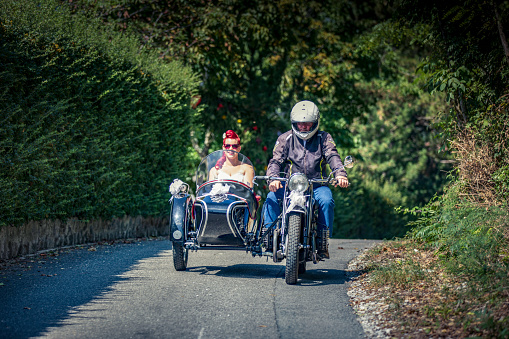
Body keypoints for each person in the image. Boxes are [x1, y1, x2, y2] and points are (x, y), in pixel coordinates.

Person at [263, 100, 349, 259]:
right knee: (271, 198)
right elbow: (276, 161)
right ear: (294, 123)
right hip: (290, 185)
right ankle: (269, 238)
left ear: (315, 122)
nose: (303, 127)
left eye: (307, 123)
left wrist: (340, 174)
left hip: (316, 185)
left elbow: (333, 156)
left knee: (327, 200)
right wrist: (273, 179)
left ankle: (323, 239)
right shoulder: (285, 138)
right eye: (299, 123)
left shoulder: (324, 138)